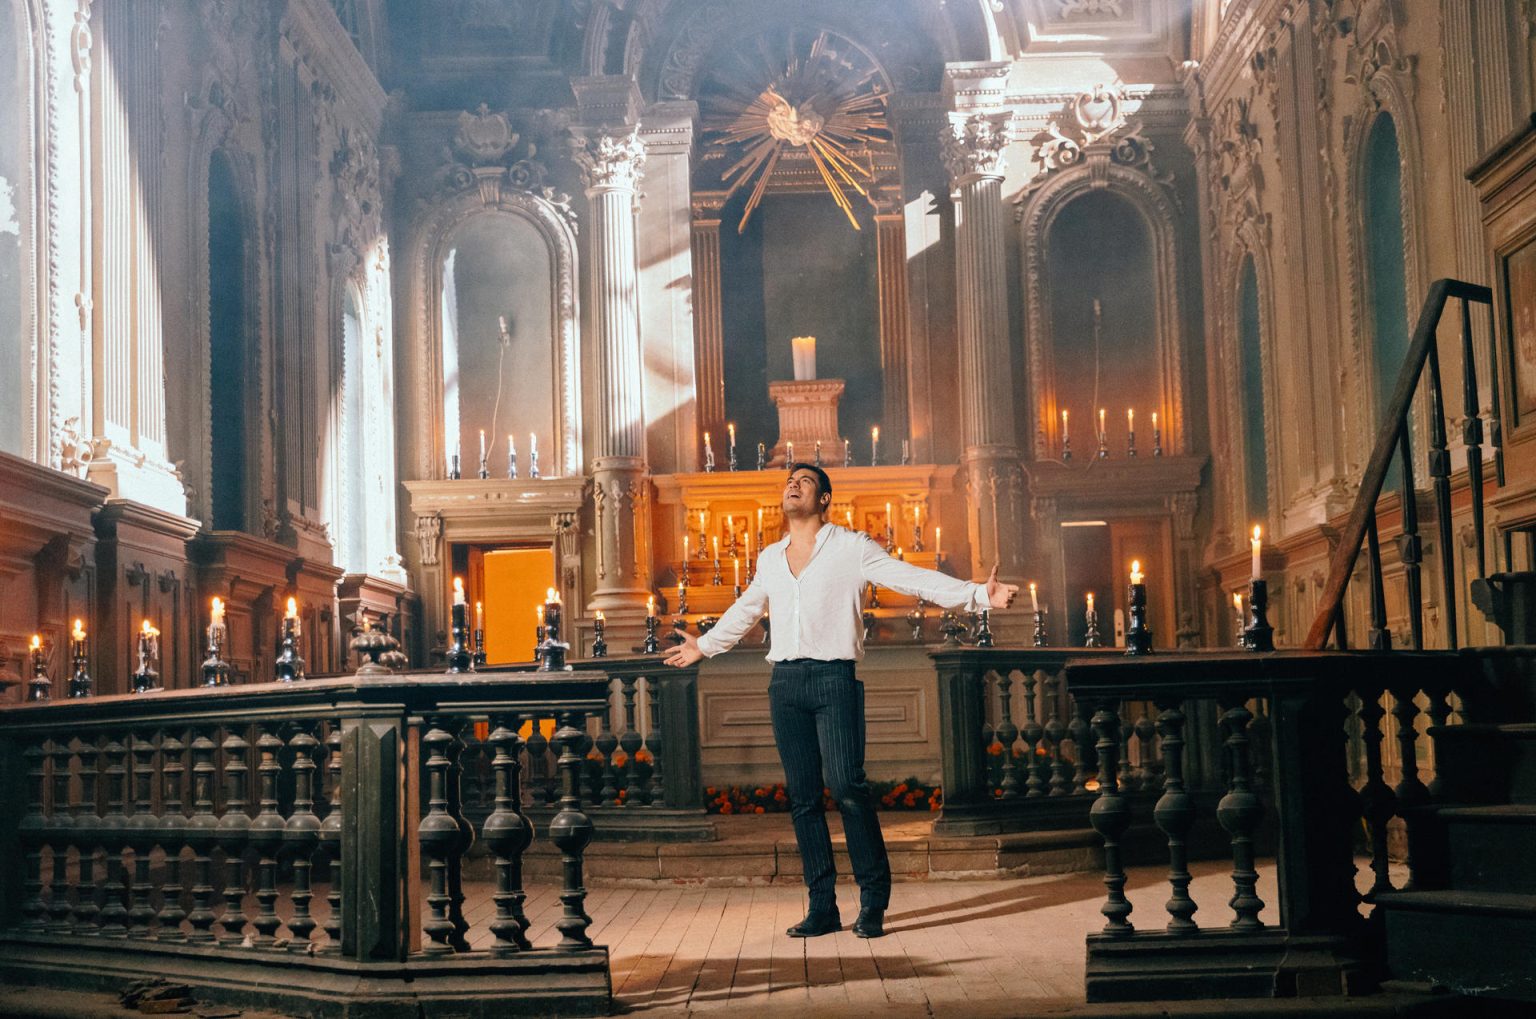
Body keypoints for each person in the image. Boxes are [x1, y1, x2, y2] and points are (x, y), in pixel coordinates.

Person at [663, 463, 1018, 939]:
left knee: (848, 788)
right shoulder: (770, 558)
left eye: (804, 481)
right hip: (785, 685)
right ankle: (822, 906)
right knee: (804, 800)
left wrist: (977, 594)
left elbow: (911, 579)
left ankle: (872, 902)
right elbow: (745, 609)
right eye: (789, 480)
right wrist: (702, 646)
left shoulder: (852, 547)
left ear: (825, 498)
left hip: (834, 680)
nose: (792, 485)